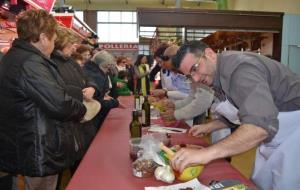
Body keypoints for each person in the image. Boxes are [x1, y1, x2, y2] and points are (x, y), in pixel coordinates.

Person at [170, 41, 300, 189]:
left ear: (210, 54)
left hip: (294, 131)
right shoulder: (217, 74)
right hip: (275, 133)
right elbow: (242, 109)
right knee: (261, 183)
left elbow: (260, 126)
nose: (196, 79)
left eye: (195, 68)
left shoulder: (240, 69)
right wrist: (211, 126)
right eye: (189, 75)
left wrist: (205, 154)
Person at [0, 10, 89, 190]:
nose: (54, 43)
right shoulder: (30, 63)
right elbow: (59, 104)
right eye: (54, 38)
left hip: (25, 141)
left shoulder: (15, 57)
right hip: (37, 145)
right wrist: (83, 110)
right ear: (43, 37)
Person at [83, 50, 120, 128]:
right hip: (94, 116)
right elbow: (97, 101)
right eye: (107, 68)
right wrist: (115, 103)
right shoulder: (97, 76)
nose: (108, 71)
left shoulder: (87, 69)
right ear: (102, 65)